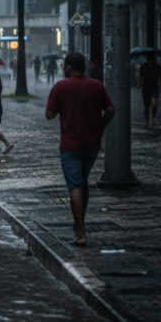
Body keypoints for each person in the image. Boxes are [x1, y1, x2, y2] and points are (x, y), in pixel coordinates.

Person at [45, 52, 115, 247]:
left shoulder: (61, 86)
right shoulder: (97, 86)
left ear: (68, 67)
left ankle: (81, 233)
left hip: (70, 146)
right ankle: (79, 226)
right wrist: (100, 126)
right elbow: (110, 110)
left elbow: (49, 114)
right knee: (82, 182)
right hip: (92, 144)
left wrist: (61, 107)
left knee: (75, 186)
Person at [138, 51, 160, 127]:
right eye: (149, 58)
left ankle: (154, 118)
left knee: (154, 104)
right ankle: (147, 121)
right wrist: (139, 83)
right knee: (146, 106)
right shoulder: (143, 67)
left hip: (154, 87)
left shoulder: (157, 66)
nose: (150, 60)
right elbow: (140, 75)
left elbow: (160, 76)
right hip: (146, 88)